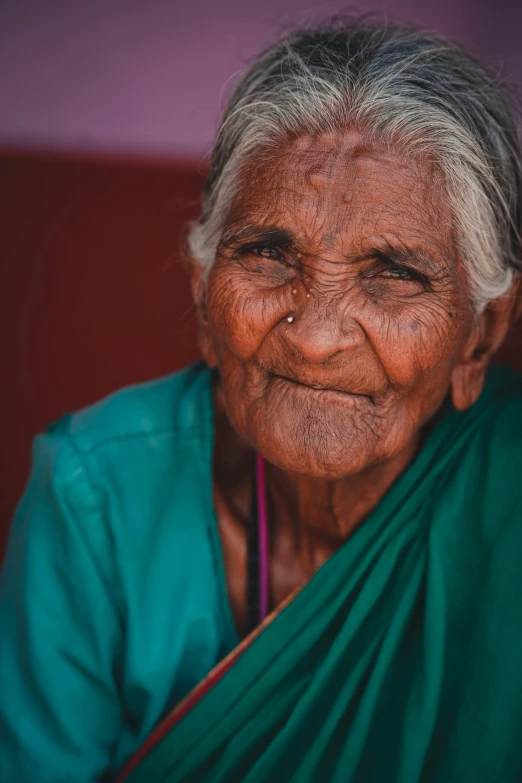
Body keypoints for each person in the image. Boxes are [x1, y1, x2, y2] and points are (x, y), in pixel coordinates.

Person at [1, 18, 522, 783]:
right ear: (203, 296)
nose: (315, 337)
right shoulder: (98, 496)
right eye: (270, 254)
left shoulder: (507, 501)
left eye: (393, 273)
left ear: (479, 339)